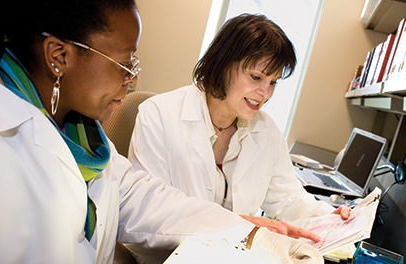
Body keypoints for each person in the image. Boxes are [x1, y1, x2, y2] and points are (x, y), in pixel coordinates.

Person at [0, 2, 325, 264]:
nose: (131, 78)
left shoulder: (86, 139)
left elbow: (148, 200)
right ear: (59, 56)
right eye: (122, 64)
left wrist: (250, 233)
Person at [128, 14, 351, 235]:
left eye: (273, 82)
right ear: (222, 64)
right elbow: (151, 211)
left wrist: (330, 218)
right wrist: (242, 223)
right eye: (256, 77)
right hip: (166, 259)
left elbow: (289, 200)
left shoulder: (266, 131)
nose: (265, 93)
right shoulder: (159, 114)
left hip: (230, 257)